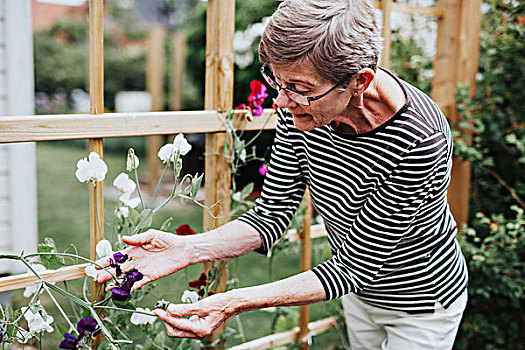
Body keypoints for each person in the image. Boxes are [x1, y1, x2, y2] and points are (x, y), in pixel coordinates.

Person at [97, 0, 468, 348]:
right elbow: (270, 213)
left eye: (300, 88)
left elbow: (356, 267)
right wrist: (187, 249)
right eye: (278, 82)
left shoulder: (420, 137)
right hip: (358, 296)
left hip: (421, 303)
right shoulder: (302, 109)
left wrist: (232, 303)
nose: (281, 101)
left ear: (360, 81)